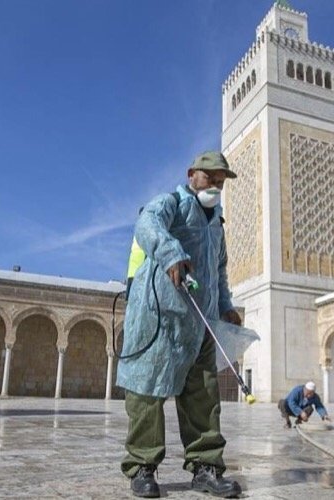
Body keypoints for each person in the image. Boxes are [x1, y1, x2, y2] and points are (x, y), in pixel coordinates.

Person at [117, 151, 243, 499]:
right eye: (210, 177)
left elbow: (218, 271)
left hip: (198, 321)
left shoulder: (217, 223)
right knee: (146, 390)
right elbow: (147, 226)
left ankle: (206, 467)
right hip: (160, 315)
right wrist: (171, 252)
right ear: (192, 175)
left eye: (220, 181)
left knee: (203, 394)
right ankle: (142, 466)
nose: (215, 185)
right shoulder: (170, 202)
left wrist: (226, 305)